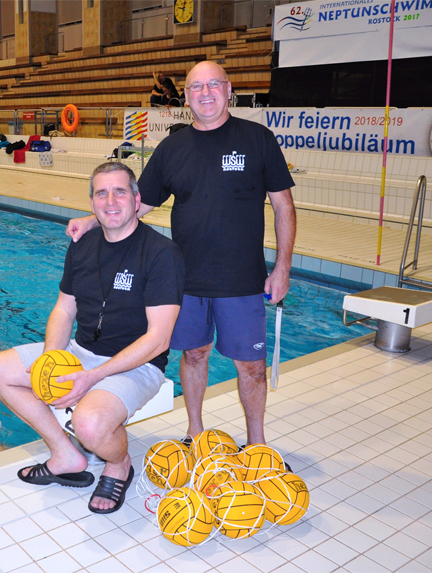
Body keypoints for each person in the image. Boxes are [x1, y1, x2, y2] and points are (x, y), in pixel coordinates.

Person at [67, 61, 296, 449]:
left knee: (252, 368)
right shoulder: (173, 148)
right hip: (185, 279)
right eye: (195, 87)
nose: (205, 93)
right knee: (193, 355)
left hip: (243, 278)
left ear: (228, 90)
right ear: (186, 97)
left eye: (213, 85)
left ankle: (257, 445)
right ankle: (195, 432)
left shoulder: (257, 138)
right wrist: (94, 219)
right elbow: (141, 203)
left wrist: (283, 268)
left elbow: (283, 207)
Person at [0, 162, 184, 514]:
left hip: (137, 365)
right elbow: (64, 309)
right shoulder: (83, 244)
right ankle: (64, 454)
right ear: (92, 203)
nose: (111, 201)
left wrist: (92, 377)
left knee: (90, 425)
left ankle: (119, 463)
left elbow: (159, 339)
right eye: (101, 193)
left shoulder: (162, 254)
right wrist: (50, 360)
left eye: (120, 191)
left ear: (137, 200)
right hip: (82, 351)